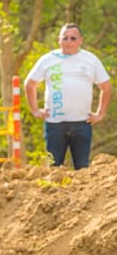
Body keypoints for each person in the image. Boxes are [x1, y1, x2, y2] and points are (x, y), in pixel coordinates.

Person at [24, 22, 111, 169]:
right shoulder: (47, 59)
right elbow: (29, 84)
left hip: (82, 123)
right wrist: (35, 110)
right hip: (54, 124)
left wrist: (100, 114)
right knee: (52, 169)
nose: (69, 41)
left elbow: (106, 87)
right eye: (65, 38)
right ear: (59, 40)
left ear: (80, 40)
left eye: (73, 38)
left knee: (83, 169)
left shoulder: (91, 60)